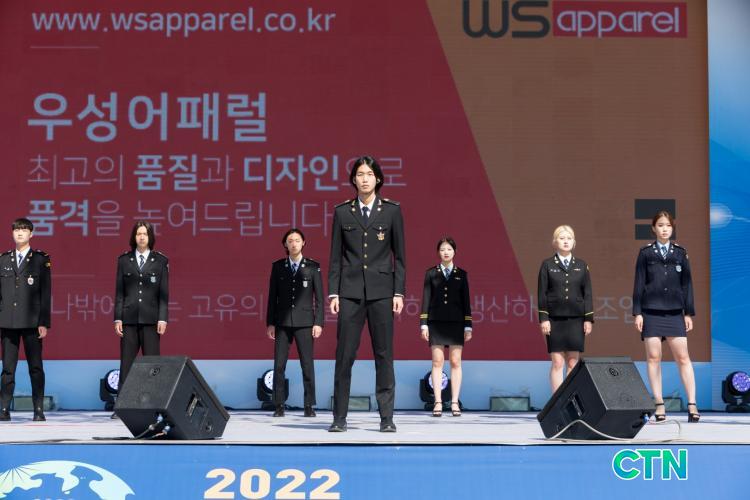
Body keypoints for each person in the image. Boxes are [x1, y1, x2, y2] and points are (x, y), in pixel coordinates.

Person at [328, 155, 406, 433]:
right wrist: (333, 293)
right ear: (353, 179)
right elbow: (335, 256)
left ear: (378, 179)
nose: (364, 179)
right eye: (360, 174)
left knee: (384, 355)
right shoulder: (342, 212)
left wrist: (398, 292)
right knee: (344, 356)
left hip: (382, 292)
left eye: (369, 174)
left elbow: (400, 257)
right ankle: (339, 418)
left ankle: (386, 418)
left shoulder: (391, 211)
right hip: (349, 292)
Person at [633, 211, 699, 422]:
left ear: (672, 228)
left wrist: (688, 313)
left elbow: (687, 285)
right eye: (660, 225)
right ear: (654, 228)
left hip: (674, 312)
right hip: (651, 311)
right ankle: (659, 404)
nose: (664, 229)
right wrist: (637, 313)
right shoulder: (645, 253)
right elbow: (639, 283)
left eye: (668, 225)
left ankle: (692, 403)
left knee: (683, 357)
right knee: (654, 358)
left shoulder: (680, 252)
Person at [113, 221, 169, 418]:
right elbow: (119, 293)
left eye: (145, 234)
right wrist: (117, 318)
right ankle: (122, 406)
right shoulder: (124, 260)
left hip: (151, 320)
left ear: (150, 237)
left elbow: (164, 294)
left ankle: (155, 405)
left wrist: (163, 319)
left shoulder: (160, 261)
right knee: (126, 364)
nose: (142, 237)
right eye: (138, 234)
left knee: (152, 365)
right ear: (134, 237)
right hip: (128, 319)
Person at [266, 228, 323, 418]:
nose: (294, 244)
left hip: (305, 322)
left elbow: (319, 298)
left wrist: (318, 322)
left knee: (307, 364)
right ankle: (279, 405)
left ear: (303, 243)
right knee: (279, 365)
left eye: (297, 240)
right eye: (290, 241)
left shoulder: (312, 267)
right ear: (285, 244)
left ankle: (309, 405)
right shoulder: (278, 266)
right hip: (282, 322)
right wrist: (270, 323)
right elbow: (272, 297)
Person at [0, 218, 51, 422]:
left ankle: (38, 409)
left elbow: (46, 293)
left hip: (32, 322)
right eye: (16, 230)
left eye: (24, 229)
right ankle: (4, 408)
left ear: (31, 233)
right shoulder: (3, 259)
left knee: (35, 367)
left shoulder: (40, 259)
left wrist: (44, 322)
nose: (20, 233)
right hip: (8, 321)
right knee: (7, 368)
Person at [419, 237, 472, 417]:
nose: (446, 252)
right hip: (436, 322)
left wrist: (468, 326)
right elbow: (426, 299)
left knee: (456, 361)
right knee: (437, 362)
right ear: (438, 252)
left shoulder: (461, 274)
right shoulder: (431, 273)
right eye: (442, 249)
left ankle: (455, 401)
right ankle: (438, 402)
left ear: (455, 251)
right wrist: (423, 324)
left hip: (457, 323)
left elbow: (466, 302)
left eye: (449, 249)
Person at [537, 225, 593, 393]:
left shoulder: (581, 265)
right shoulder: (547, 265)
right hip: (554, 319)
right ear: (555, 242)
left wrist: (588, 319)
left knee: (572, 362)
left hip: (576, 319)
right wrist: (544, 318)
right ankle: (558, 401)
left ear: (574, 242)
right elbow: (542, 293)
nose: (566, 241)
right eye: (562, 238)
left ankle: (569, 399)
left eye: (569, 238)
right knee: (557, 362)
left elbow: (587, 293)